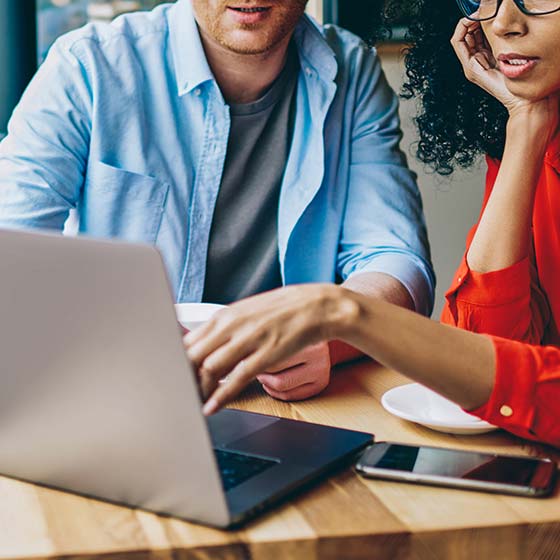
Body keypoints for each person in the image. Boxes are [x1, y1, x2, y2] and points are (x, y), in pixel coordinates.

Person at [0, 1, 434, 401]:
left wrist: (329, 337)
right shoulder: (89, 65)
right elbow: (11, 250)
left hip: (290, 406)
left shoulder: (352, 70)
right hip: (115, 391)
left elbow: (396, 261)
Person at [185, 0, 560, 448]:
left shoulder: (348, 67)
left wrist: (344, 316)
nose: (502, 23)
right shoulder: (533, 135)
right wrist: (525, 127)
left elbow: (492, 382)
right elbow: (486, 375)